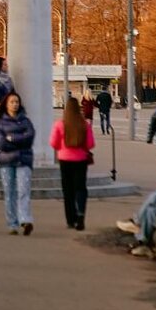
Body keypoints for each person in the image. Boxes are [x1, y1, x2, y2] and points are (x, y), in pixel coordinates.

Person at [50, 97, 95, 231]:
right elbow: (90, 144)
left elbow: (53, 143)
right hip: (81, 159)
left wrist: (61, 148)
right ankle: (80, 215)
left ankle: (70, 219)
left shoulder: (59, 124)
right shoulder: (84, 124)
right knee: (80, 188)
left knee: (68, 190)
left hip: (64, 160)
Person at [0, 91, 35, 235]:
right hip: (6, 161)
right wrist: (20, 139)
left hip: (24, 160)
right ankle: (12, 223)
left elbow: (29, 138)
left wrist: (12, 138)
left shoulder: (26, 121)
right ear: (6, 104)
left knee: (24, 190)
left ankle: (25, 219)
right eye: (12, 102)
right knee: (9, 192)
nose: (15, 104)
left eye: (17, 102)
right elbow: (1, 144)